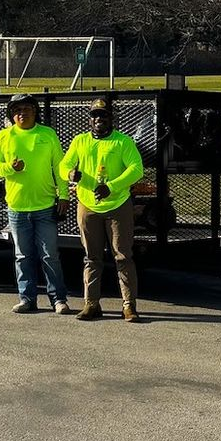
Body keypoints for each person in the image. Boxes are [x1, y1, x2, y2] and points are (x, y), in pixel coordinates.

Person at [0, 95, 70, 314]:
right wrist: (10, 168)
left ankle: (58, 300)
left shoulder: (47, 134)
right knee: (23, 256)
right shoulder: (5, 136)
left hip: (44, 205)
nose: (22, 112)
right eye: (17, 109)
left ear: (35, 111)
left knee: (50, 255)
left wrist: (64, 196)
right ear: (12, 115)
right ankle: (27, 299)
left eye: (27, 108)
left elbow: (60, 168)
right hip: (17, 207)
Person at [62, 98, 145, 322]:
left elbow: (137, 169)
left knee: (123, 256)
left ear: (111, 118)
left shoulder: (122, 142)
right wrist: (70, 174)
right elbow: (64, 165)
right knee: (91, 257)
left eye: (103, 115)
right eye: (95, 115)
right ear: (89, 119)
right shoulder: (80, 141)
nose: (99, 119)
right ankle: (91, 304)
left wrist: (112, 187)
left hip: (118, 206)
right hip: (88, 205)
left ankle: (129, 305)